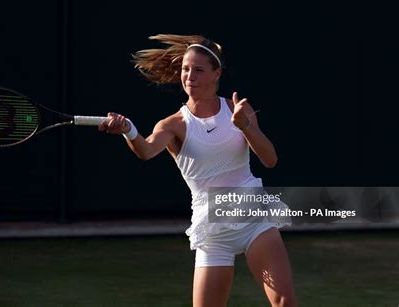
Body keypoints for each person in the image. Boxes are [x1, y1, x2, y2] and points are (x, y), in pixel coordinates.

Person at [98, 34, 297, 307]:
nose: (189, 76)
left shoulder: (238, 109)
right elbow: (145, 151)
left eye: (198, 70)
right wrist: (129, 131)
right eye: (185, 69)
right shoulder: (173, 124)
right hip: (212, 230)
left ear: (217, 74)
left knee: (285, 303)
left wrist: (245, 126)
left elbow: (270, 159)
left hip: (254, 217)